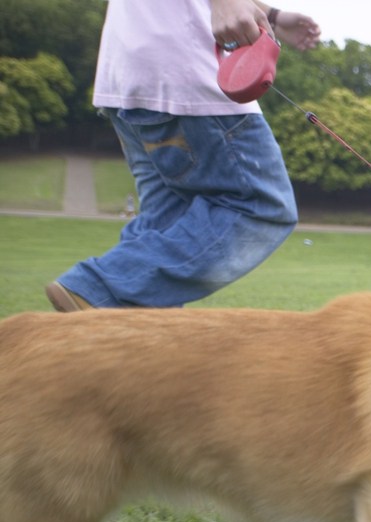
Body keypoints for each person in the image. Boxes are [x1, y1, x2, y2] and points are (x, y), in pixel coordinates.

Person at [45, 0, 321, 311]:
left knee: (167, 227)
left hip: (128, 75)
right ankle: (98, 288)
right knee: (263, 207)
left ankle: (118, 345)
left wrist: (274, 16)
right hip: (187, 72)